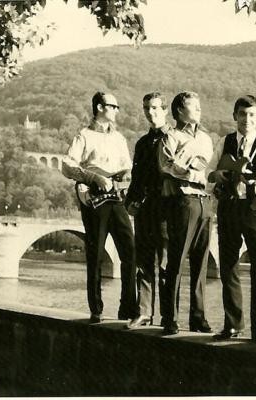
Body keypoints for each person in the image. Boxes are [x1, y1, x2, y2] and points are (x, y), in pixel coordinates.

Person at [208, 95, 256, 342]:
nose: (247, 119)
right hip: (228, 208)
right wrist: (219, 175)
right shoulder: (224, 142)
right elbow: (210, 172)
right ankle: (233, 324)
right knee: (228, 266)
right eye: (242, 114)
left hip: (253, 209)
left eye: (252, 115)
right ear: (235, 116)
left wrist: (251, 179)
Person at [62, 91, 137, 324]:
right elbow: (67, 165)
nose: (117, 110)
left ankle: (128, 307)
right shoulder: (83, 135)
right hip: (94, 200)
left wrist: (126, 173)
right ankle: (96, 309)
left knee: (130, 251)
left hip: (117, 198)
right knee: (95, 254)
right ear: (100, 107)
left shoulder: (119, 138)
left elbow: (127, 166)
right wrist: (94, 177)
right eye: (113, 106)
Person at [158, 91, 214, 335]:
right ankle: (170, 317)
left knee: (201, 262)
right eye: (194, 106)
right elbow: (165, 165)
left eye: (200, 105)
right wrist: (192, 173)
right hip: (183, 200)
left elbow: (209, 166)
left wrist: (199, 172)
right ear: (180, 110)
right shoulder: (170, 137)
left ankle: (198, 318)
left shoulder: (206, 138)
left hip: (204, 201)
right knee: (177, 259)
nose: (199, 109)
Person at [124, 92, 171, 329]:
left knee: (164, 265)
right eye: (146, 108)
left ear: (165, 110)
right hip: (144, 210)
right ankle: (144, 313)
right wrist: (130, 202)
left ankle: (167, 317)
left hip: (165, 210)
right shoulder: (142, 143)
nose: (150, 113)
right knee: (143, 263)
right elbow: (136, 178)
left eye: (154, 108)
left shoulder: (173, 138)